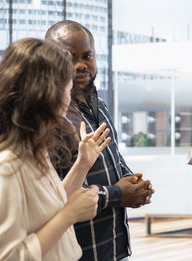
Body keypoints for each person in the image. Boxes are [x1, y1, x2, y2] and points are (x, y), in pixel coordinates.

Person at [45, 20, 155, 261]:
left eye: (87, 55)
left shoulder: (100, 105)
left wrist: (134, 184)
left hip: (115, 248)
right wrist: (117, 194)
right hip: (78, 253)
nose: (81, 65)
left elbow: (114, 157)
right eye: (69, 58)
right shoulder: (49, 118)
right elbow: (52, 194)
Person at [0, 38, 111, 260]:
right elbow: (11, 256)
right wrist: (69, 215)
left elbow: (51, 206)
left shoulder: (33, 151)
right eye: (66, 90)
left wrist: (82, 164)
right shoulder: (8, 168)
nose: (68, 98)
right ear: (46, 94)